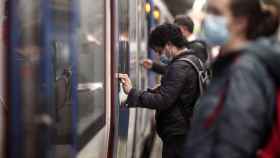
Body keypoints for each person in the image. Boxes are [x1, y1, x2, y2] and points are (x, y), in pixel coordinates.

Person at [184, 0, 280, 157]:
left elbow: (234, 146)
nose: (206, 18)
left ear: (240, 22)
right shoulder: (233, 64)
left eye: (216, 13)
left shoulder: (244, 71)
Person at [118, 23, 202, 158]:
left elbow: (163, 100)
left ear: (168, 45)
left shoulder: (179, 66)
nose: (158, 55)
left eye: (158, 51)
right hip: (184, 131)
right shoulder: (192, 60)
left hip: (177, 136)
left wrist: (132, 92)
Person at [143, 15, 208, 74]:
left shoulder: (196, 48)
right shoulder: (188, 46)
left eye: (177, 28)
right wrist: (154, 66)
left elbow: (180, 72)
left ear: (184, 29)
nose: (173, 32)